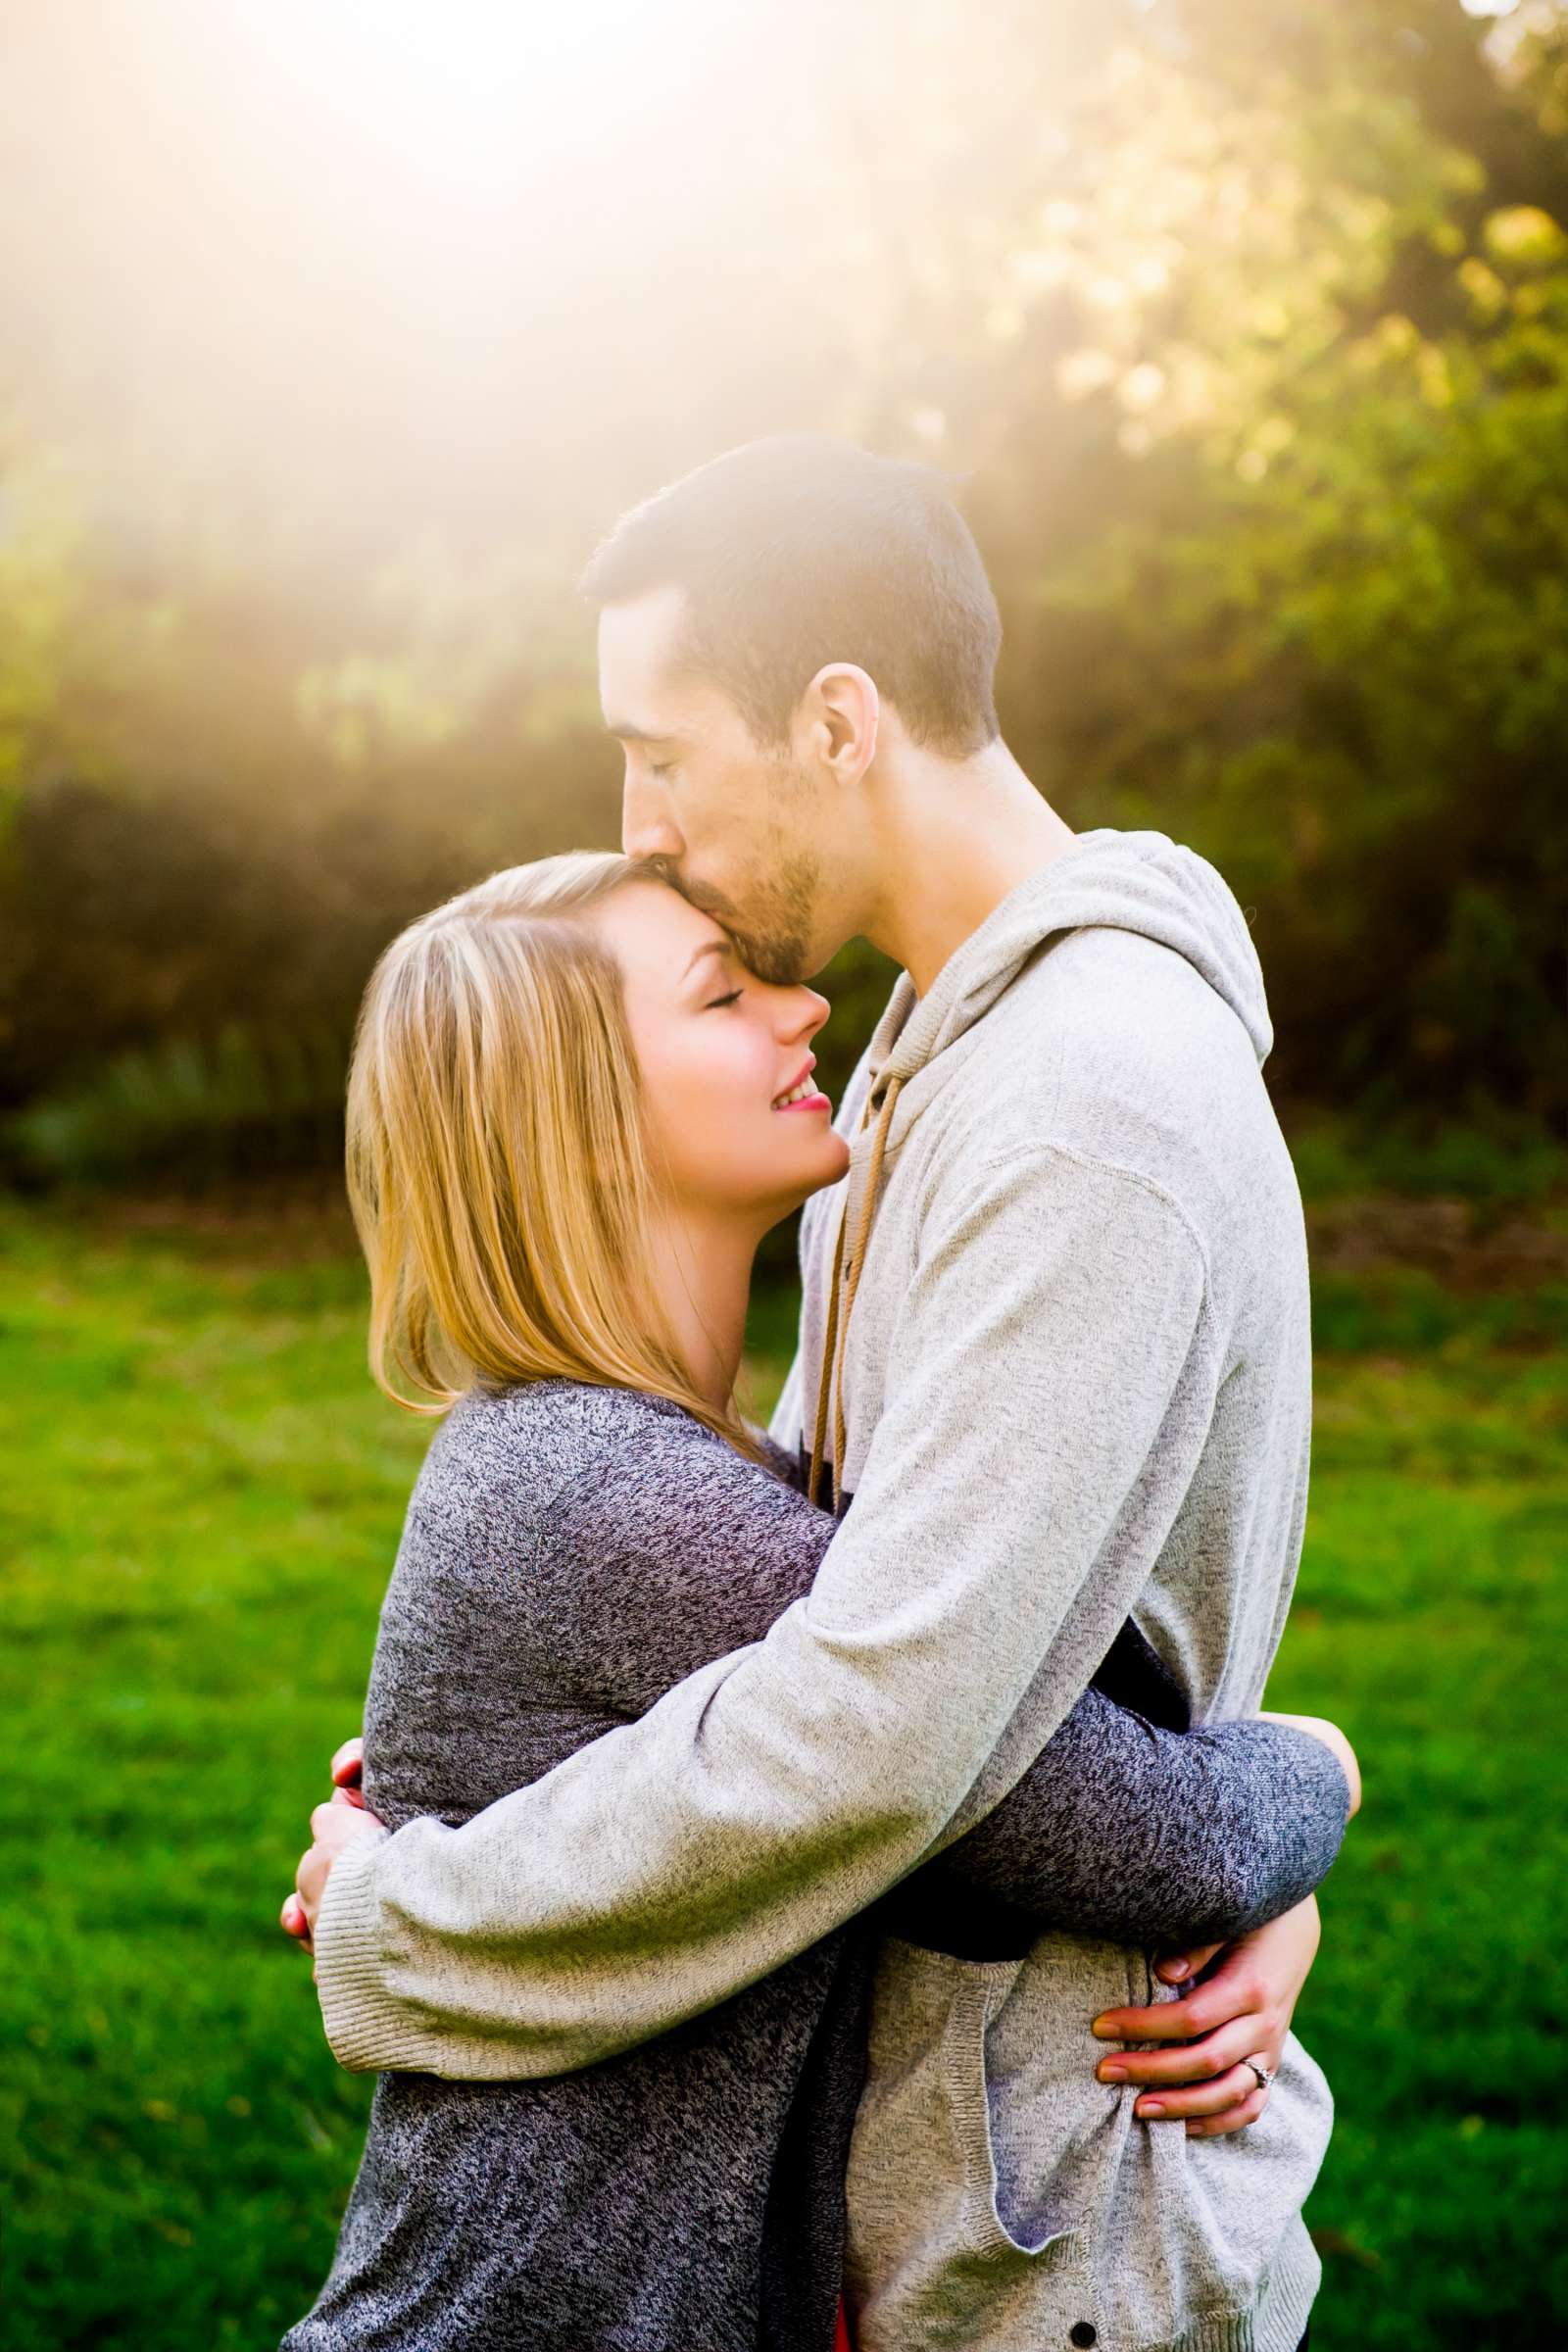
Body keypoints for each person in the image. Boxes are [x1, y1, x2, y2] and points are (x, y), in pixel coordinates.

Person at [291, 438, 1349, 2352]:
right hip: (937, 2161)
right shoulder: (918, 1068)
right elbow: (866, 1609)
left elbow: (890, 1715)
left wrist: (412, 1912)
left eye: (664, 752)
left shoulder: (1078, 1106)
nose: (646, 817)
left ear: (836, 723)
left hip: (1055, 2185)